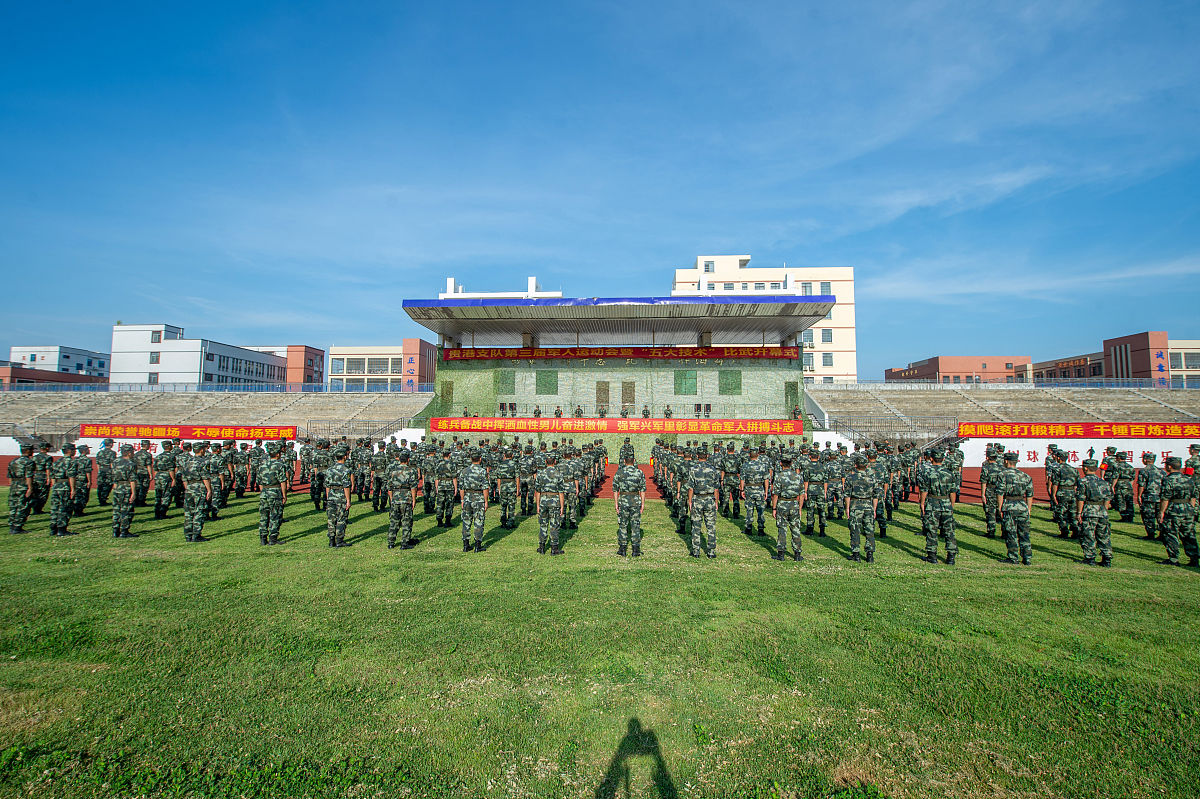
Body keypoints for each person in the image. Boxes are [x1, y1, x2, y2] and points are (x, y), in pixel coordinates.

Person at [918, 448, 957, 565]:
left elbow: (924, 491)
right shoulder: (949, 473)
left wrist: (922, 503)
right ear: (943, 459)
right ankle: (951, 557)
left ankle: (932, 556)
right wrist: (951, 505)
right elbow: (953, 492)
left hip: (932, 503)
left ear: (931, 459)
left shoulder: (927, 473)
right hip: (946, 503)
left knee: (932, 530)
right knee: (949, 531)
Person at [1157, 456, 1198, 567]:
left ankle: (1173, 558)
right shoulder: (1188, 479)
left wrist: (1161, 512)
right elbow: (1193, 496)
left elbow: (1165, 498)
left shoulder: (1168, 480)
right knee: (1189, 534)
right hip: (1188, 508)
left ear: (1169, 466)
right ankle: (1194, 559)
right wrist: (1191, 509)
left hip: (1173, 508)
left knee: (1170, 533)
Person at [998, 451, 1034, 565]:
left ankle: (1013, 557)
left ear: (1006, 461)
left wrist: (1000, 508)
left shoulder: (1002, 475)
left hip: (1009, 505)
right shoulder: (1025, 476)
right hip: (1022, 506)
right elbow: (1030, 495)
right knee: (1024, 533)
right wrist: (1028, 509)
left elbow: (1000, 493)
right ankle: (1027, 557)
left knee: (1011, 533)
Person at [1075, 459, 1113, 566]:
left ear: (1086, 468)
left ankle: (1090, 558)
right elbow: (1107, 498)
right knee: (1103, 535)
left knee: (1088, 535)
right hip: (1102, 510)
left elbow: (1081, 498)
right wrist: (1104, 510)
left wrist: (1079, 513)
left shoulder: (1083, 481)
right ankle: (1107, 558)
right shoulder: (1104, 482)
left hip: (1089, 510)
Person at [687, 447, 720, 559]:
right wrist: (716, 501)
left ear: (697, 456)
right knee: (711, 526)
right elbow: (716, 488)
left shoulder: (693, 469)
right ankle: (711, 551)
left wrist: (690, 501)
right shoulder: (713, 469)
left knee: (696, 526)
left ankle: (696, 551)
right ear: (707, 456)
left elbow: (690, 488)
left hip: (697, 499)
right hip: (710, 498)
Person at [771, 455, 805, 561]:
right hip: (794, 504)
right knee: (795, 529)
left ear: (781, 463)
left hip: (782, 504)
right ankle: (797, 554)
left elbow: (775, 494)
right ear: (791, 463)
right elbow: (802, 494)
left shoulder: (779, 476)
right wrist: (800, 508)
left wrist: (774, 508)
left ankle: (781, 554)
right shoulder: (798, 476)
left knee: (782, 528)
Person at [844, 454, 877, 563]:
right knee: (869, 530)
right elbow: (876, 495)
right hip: (868, 505)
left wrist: (847, 508)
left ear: (855, 465)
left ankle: (856, 554)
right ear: (866, 466)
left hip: (855, 505)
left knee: (855, 530)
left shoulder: (850, 478)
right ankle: (870, 555)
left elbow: (847, 495)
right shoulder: (871, 478)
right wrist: (874, 508)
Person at [612, 453, 646, 557]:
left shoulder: (619, 472)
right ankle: (636, 549)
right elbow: (643, 489)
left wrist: (616, 503)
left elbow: (615, 490)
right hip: (635, 501)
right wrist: (642, 503)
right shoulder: (639, 472)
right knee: (635, 525)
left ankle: (622, 548)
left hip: (623, 500)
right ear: (634, 461)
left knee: (623, 524)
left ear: (624, 461)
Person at [386, 450, 420, 549]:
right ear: (408, 460)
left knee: (394, 521)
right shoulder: (411, 471)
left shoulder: (393, 471)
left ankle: (391, 542)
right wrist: (414, 499)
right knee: (406, 521)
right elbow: (413, 487)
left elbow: (389, 487)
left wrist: (392, 499)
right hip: (406, 498)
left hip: (395, 498)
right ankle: (405, 542)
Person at [257, 441, 288, 545]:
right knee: (275, 515)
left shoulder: (262, 465)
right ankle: (273, 538)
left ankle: (263, 538)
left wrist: (263, 492)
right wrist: (284, 495)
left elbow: (259, 482)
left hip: (264, 493)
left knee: (264, 516)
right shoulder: (280, 465)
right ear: (278, 454)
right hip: (275, 492)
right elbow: (282, 481)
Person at [535, 453, 566, 555]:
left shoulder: (540, 474)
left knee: (543, 524)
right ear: (555, 462)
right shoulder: (558, 474)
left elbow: (537, 491)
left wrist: (537, 505)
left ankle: (541, 547)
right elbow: (561, 492)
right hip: (555, 501)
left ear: (545, 462)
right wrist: (562, 506)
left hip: (543, 501)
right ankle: (554, 548)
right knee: (554, 524)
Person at [180, 441, 212, 542]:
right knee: (199, 511)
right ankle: (196, 535)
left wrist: (187, 488)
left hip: (189, 487)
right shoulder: (203, 462)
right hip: (199, 487)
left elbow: (184, 478)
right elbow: (205, 477)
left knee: (189, 512)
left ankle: (188, 535)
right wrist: (209, 490)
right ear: (201, 450)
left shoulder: (187, 462)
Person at [458, 451, 489, 553]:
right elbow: (485, 487)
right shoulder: (482, 471)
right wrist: (486, 501)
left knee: (466, 521)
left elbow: (461, 487)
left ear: (471, 459)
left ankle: (466, 545)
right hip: (478, 499)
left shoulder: (464, 471)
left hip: (467, 497)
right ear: (480, 459)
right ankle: (477, 545)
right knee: (478, 521)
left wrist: (462, 499)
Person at [324, 445, 353, 547]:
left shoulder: (329, 470)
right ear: (344, 457)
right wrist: (348, 500)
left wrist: (328, 497)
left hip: (331, 495)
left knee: (331, 519)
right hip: (341, 496)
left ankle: (331, 540)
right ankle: (339, 540)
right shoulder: (346, 470)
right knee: (341, 518)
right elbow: (346, 486)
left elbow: (327, 485)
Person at [739, 446, 771, 537]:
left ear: (750, 455)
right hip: (759, 489)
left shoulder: (745, 465)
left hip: (749, 489)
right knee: (760, 510)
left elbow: (742, 479)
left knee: (749, 509)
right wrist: (766, 491)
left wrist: (742, 490)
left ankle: (748, 528)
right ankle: (761, 529)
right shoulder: (763, 465)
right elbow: (766, 479)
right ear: (758, 455)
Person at [48, 443, 77, 536]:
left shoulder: (57, 461)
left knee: (55, 508)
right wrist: (73, 489)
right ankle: (61, 529)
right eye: (73, 450)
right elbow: (71, 476)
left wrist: (54, 486)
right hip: (65, 486)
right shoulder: (71, 462)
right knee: (64, 507)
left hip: (57, 485)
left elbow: (52, 475)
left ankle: (53, 528)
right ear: (69, 451)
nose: (75, 451)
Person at [110, 444, 138, 538]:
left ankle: (115, 530)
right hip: (127, 488)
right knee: (126, 510)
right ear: (129, 453)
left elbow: (113, 476)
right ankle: (124, 531)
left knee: (116, 509)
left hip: (118, 487)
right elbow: (132, 480)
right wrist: (133, 493)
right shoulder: (131, 464)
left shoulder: (115, 462)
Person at [1135, 452, 1165, 540]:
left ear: (1145, 460)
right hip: (1160, 497)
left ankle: (1151, 534)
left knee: (1148, 516)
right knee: (1160, 515)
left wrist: (1139, 495)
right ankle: (1162, 534)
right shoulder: (1161, 471)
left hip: (1149, 497)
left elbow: (1141, 484)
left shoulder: (1144, 471)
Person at [7, 443, 35, 534]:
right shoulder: (29, 462)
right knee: (23, 506)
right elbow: (28, 476)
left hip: (14, 485)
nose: (33, 451)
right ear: (27, 451)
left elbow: (10, 476)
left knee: (13, 506)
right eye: (31, 450)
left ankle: (12, 525)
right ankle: (17, 527)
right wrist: (30, 488)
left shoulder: (13, 461)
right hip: (23, 485)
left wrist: (12, 486)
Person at [801, 449, 828, 536]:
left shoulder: (807, 466)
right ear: (818, 457)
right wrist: (825, 492)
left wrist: (805, 492)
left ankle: (810, 529)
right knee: (821, 510)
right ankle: (822, 531)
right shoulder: (823, 466)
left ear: (810, 456)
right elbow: (826, 481)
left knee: (810, 510)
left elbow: (806, 480)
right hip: (821, 489)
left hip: (811, 489)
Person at [979, 447, 1002, 537]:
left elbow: (983, 481)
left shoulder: (986, 468)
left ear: (988, 457)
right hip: (1000, 490)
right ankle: (1004, 532)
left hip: (990, 490)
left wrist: (983, 494)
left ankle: (991, 531)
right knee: (1001, 510)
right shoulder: (1002, 467)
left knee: (990, 511)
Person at [494, 447, 519, 529]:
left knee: (503, 505)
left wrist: (499, 488)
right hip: (512, 486)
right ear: (512, 455)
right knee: (511, 505)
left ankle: (503, 522)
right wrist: (518, 489)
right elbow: (517, 477)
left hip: (503, 486)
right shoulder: (515, 464)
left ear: (505, 455)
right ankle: (510, 523)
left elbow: (498, 477)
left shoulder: (501, 464)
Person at [152, 440, 177, 520]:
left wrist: (157, 477)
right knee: (166, 495)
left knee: (158, 495)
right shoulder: (171, 456)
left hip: (158, 476)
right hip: (166, 476)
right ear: (169, 446)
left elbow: (155, 469)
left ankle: (157, 513)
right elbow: (171, 469)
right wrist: (173, 479)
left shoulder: (158, 456)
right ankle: (162, 513)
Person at [1111, 452, 1136, 523]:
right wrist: (1129, 485)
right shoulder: (1130, 467)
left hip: (1120, 485)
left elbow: (1115, 477)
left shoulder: (1116, 466)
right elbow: (1132, 478)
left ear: (1119, 458)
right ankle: (1130, 518)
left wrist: (1112, 486)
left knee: (1121, 501)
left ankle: (1124, 517)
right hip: (1128, 485)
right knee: (1129, 502)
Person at [72, 444, 92, 517]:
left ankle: (76, 510)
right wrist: (89, 481)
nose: (89, 450)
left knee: (77, 495)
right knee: (84, 496)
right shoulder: (87, 460)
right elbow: (88, 471)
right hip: (83, 479)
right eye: (87, 449)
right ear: (84, 451)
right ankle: (79, 511)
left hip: (77, 479)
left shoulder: (75, 459)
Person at [31, 441, 52, 514]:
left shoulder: (34, 457)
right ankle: (38, 509)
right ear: (46, 448)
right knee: (43, 494)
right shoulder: (48, 457)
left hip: (36, 476)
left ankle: (35, 508)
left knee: (36, 493)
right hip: (43, 476)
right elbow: (48, 468)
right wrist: (49, 478)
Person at [132, 440, 153, 507]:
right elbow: (148, 465)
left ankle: (135, 501)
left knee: (137, 487)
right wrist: (150, 474)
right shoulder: (148, 455)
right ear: (146, 445)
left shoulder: (136, 454)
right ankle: (141, 502)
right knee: (144, 488)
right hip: (144, 472)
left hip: (136, 472)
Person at [95, 438, 116, 505]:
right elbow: (112, 463)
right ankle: (103, 499)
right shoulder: (112, 453)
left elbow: (98, 463)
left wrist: (99, 471)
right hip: (108, 471)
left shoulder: (99, 452)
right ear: (110, 444)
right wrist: (113, 473)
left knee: (100, 485)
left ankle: (100, 499)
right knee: (108, 486)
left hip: (101, 470)